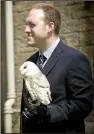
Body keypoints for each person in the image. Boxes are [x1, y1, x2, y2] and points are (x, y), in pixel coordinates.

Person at [20, 3, 94, 133]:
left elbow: (83, 104)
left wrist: (48, 113)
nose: (26, 29)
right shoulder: (30, 62)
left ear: (50, 27)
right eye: (26, 24)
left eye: (32, 24)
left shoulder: (74, 59)